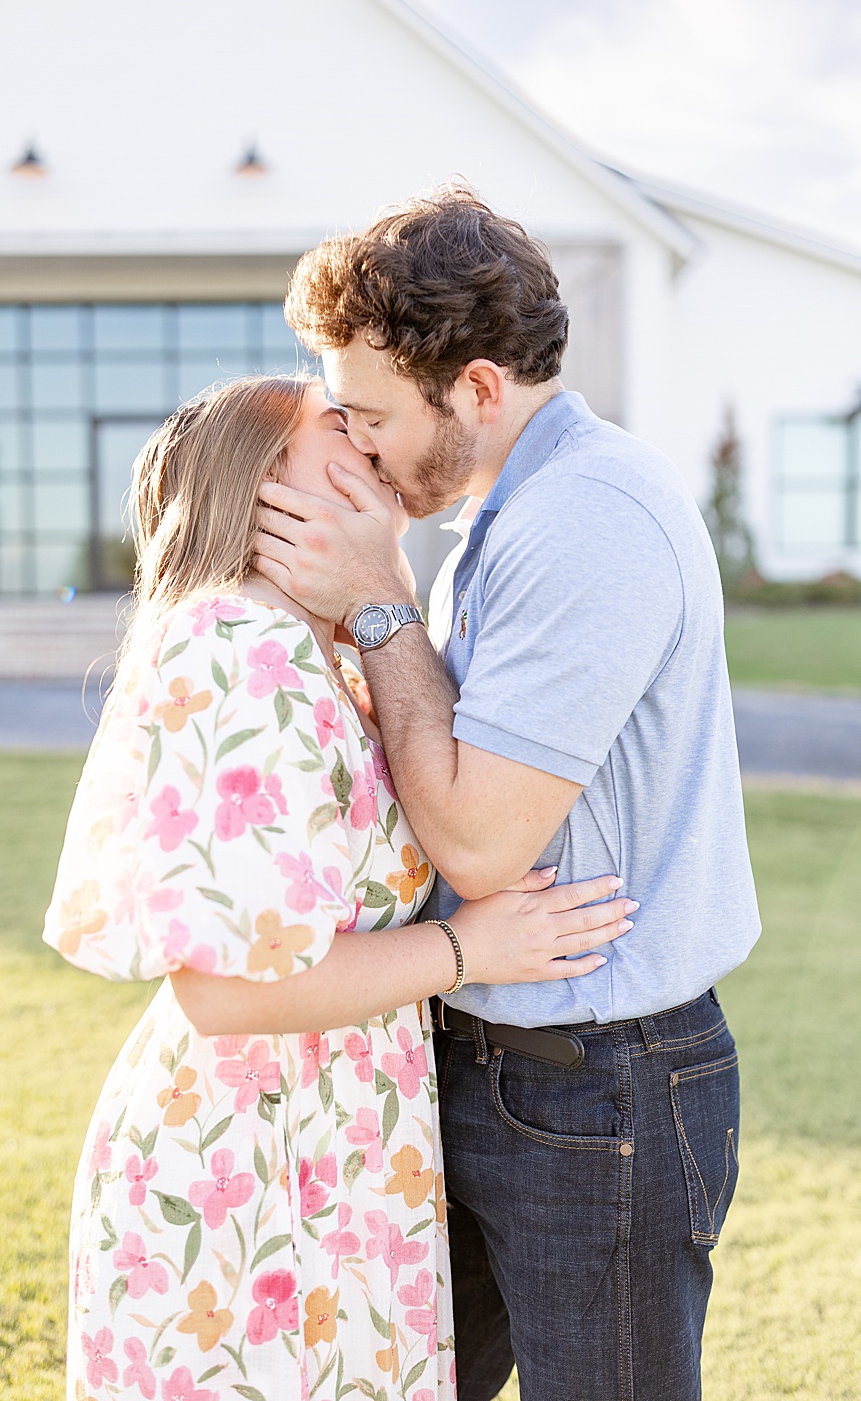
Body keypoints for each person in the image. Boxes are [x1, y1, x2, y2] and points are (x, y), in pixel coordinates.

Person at [255, 186, 760, 1401]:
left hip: (601, 1083)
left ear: (477, 387)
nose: (360, 444)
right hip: (496, 1056)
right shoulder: (510, 508)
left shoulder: (585, 518)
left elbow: (480, 839)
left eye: (370, 414)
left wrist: (380, 599)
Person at [44, 374, 634, 1401]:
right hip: (248, 1160)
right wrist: (469, 951)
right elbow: (223, 992)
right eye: (336, 424)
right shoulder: (239, 647)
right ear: (263, 478)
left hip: (333, 1140)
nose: (366, 435)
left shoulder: (320, 650)